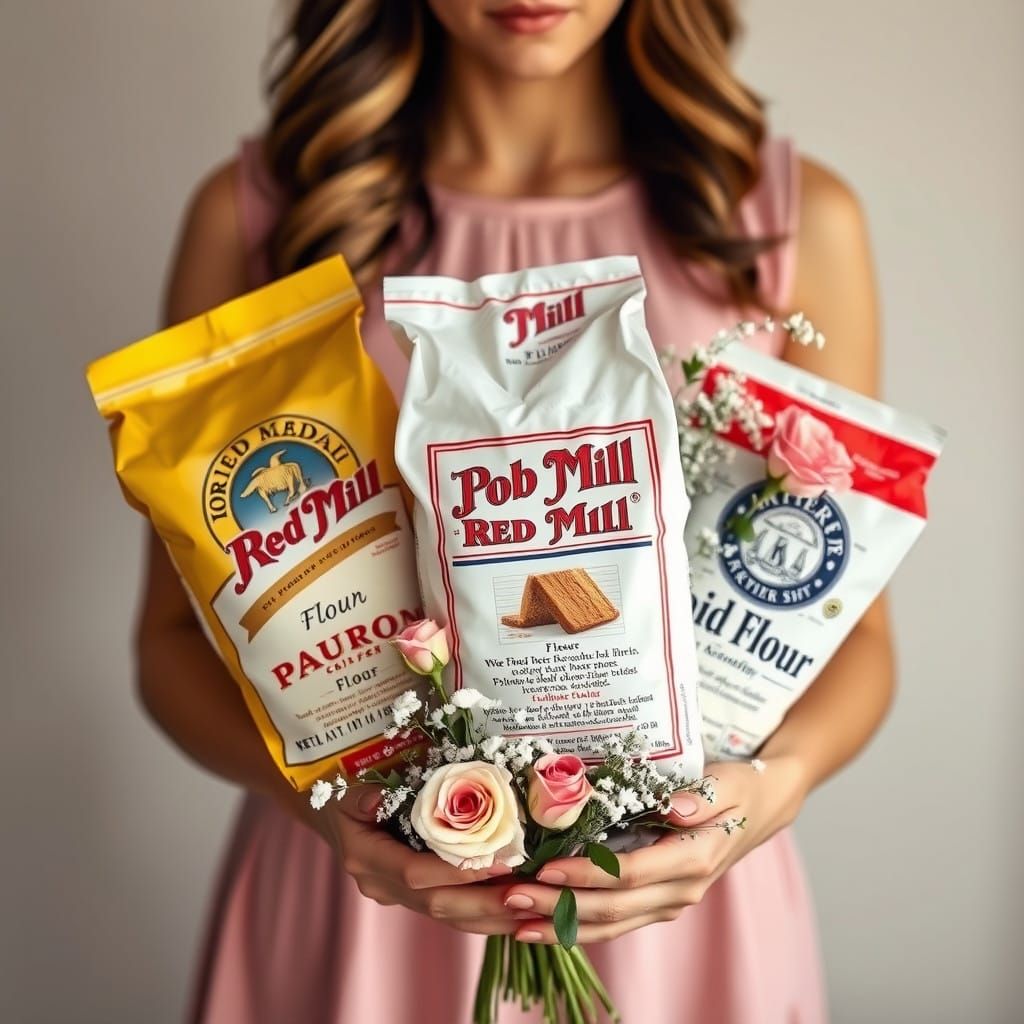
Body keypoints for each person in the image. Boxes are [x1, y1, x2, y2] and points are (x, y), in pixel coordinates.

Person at [143, 2, 893, 1021]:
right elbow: (172, 645)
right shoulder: (262, 218)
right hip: (357, 904)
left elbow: (857, 635)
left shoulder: (787, 222)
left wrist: (764, 796)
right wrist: (332, 814)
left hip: (679, 909)